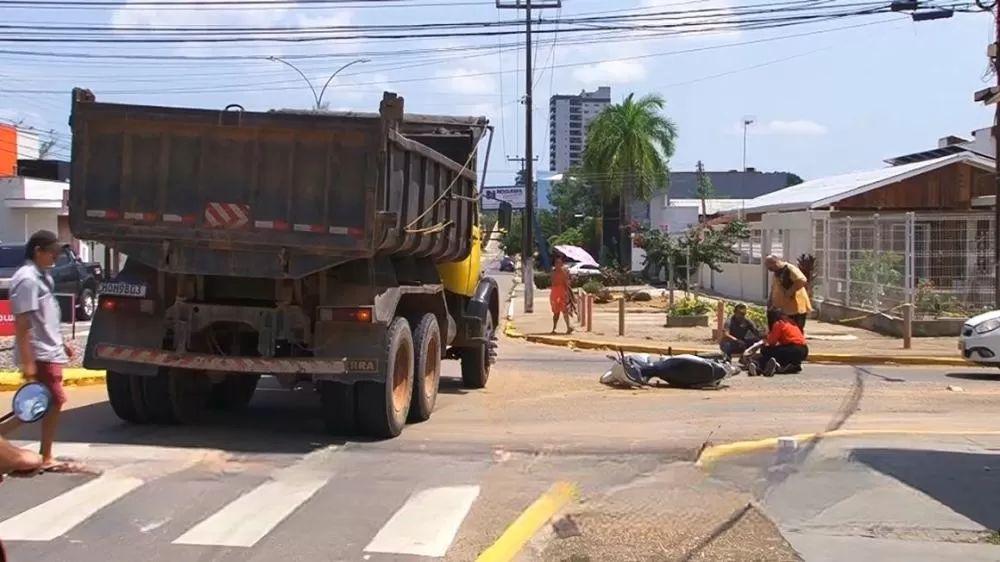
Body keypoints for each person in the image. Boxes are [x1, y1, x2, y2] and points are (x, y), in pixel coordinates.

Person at [0, 230, 75, 472]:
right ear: (37, 251)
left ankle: (44, 453)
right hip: (40, 353)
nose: (56, 257)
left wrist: (62, 343)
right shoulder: (27, 280)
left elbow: (47, 317)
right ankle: (46, 455)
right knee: (53, 401)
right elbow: (22, 324)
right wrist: (28, 363)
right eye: (52, 252)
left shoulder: (43, 277)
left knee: (38, 404)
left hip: (50, 350)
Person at [747, 309, 809, 377]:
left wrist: (764, 342)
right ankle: (785, 366)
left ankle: (758, 367)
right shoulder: (792, 323)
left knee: (766, 350)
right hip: (804, 351)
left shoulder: (779, 323)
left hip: (793, 349)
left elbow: (771, 342)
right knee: (780, 354)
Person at [764, 254, 812, 332]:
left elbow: (802, 280)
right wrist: (771, 302)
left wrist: (790, 292)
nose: (769, 270)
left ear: (775, 262)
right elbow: (774, 288)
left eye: (770, 267)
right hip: (784, 309)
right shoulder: (777, 272)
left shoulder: (789, 269)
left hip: (796, 308)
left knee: (795, 330)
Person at [549, 253, 575, 334]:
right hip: (555, 293)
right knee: (556, 312)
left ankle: (568, 327)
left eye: (560, 262)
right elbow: (553, 282)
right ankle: (554, 328)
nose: (559, 264)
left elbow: (567, 283)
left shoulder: (564, 271)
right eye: (557, 262)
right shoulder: (554, 272)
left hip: (562, 292)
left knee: (565, 311)